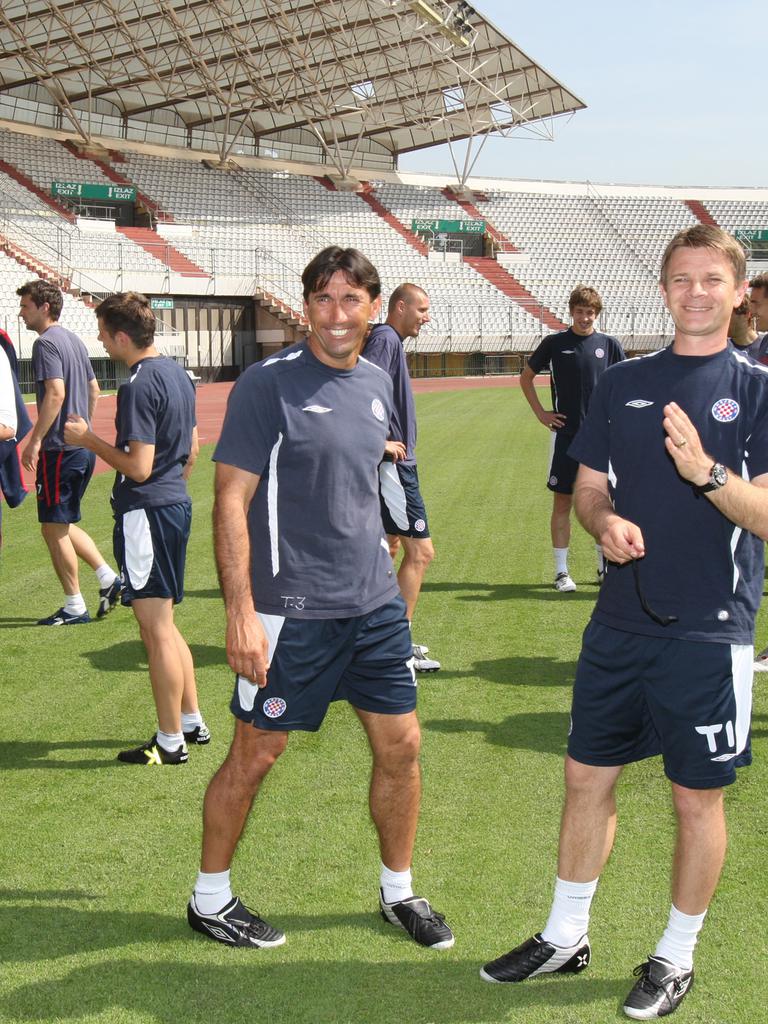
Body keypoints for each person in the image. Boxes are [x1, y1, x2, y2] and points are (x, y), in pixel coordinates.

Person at [481, 225, 766, 1020]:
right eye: (682, 278)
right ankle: (565, 935)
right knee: (584, 778)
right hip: (616, 623)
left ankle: (677, 954)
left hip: (708, 631)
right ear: (664, 287)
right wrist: (603, 523)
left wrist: (705, 473)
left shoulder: (758, 387)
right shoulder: (624, 381)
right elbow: (590, 483)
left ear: (739, 292)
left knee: (694, 800)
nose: (697, 291)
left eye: (713, 279)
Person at [186, 247, 453, 951]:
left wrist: (384, 533)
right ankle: (210, 899)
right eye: (323, 299)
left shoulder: (374, 381)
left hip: (373, 608)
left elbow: (362, 475)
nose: (337, 314)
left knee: (403, 747)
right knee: (255, 754)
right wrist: (240, 612)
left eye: (351, 299)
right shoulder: (266, 385)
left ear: (373, 308)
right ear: (306, 307)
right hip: (289, 611)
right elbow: (230, 500)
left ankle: (400, 891)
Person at [63, 292, 208, 765]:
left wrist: (87, 439)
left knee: (155, 629)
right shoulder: (176, 374)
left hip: (147, 511)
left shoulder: (139, 385)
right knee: (164, 624)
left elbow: (139, 467)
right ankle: (189, 721)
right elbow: (192, 446)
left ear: (123, 335)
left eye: (104, 333)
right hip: (171, 507)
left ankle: (170, 741)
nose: (102, 342)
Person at [17, 280, 121, 624]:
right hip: (78, 449)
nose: (21, 313)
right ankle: (107, 576)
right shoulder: (73, 340)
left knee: (52, 526)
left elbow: (56, 394)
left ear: (45, 307)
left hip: (59, 450)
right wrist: (85, 429)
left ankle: (74, 605)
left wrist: (34, 440)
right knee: (59, 523)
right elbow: (94, 388)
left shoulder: (46, 343)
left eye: (26, 306)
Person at [520, 287, 625, 592]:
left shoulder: (609, 345)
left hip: (601, 440)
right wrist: (541, 413)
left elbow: (622, 385)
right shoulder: (555, 343)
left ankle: (604, 567)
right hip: (566, 436)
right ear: (571, 312)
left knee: (602, 503)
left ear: (597, 313)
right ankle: (561, 573)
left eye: (590, 312)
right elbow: (526, 377)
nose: (584, 317)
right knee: (563, 502)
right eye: (579, 311)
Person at [363, 283, 440, 672]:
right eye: (422, 309)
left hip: (395, 466)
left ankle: (373, 633)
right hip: (394, 468)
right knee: (421, 553)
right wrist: (379, 442)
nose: (426, 316)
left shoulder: (388, 339)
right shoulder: (386, 339)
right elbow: (360, 390)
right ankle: (396, 645)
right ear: (400, 307)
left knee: (387, 548)